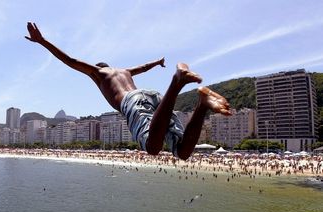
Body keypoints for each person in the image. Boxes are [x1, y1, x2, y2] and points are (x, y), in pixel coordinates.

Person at [25, 22, 232, 160]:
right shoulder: (123, 71)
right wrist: (158, 62)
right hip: (152, 97)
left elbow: (70, 61)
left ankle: (177, 82)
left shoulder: (99, 73)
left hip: (132, 102)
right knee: (183, 152)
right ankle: (202, 104)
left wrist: (42, 41)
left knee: (152, 147)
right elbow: (143, 67)